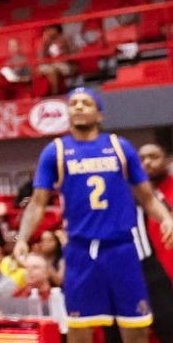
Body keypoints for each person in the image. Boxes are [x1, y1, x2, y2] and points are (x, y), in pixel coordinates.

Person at [13, 88, 173, 343]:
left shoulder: (120, 147)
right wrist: (22, 238)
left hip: (121, 249)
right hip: (81, 252)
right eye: (73, 103)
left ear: (98, 114)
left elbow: (147, 197)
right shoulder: (55, 151)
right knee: (79, 331)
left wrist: (166, 218)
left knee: (137, 329)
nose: (78, 107)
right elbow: (37, 203)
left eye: (86, 103)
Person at [137, 142, 173, 335]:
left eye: (153, 157)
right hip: (149, 277)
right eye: (141, 159)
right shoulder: (135, 197)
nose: (147, 162)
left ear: (167, 160)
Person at [12, 254, 67, 323]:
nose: (29, 271)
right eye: (26, 268)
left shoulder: (56, 297)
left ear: (47, 273)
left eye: (35, 267)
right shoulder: (17, 293)